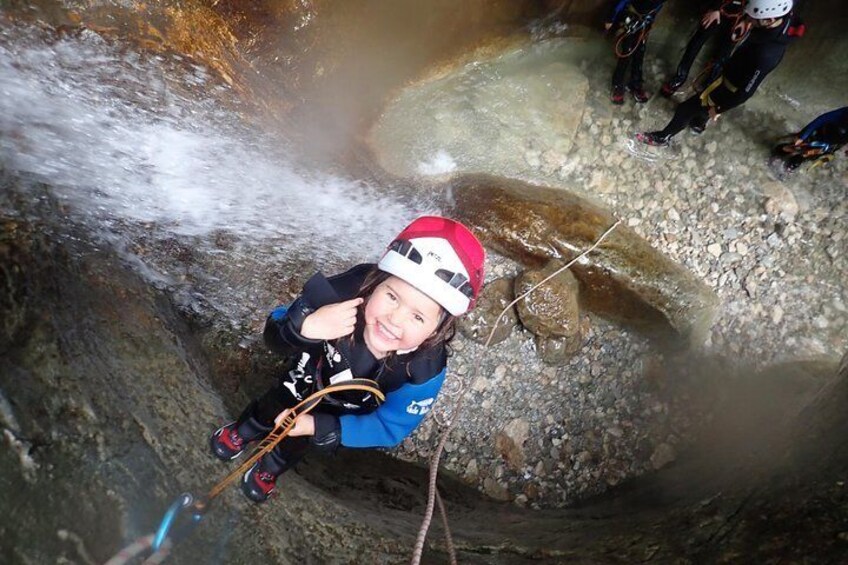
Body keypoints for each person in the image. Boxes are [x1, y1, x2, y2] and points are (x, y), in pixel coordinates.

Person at [209, 216, 486, 503]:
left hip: (342, 409)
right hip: (305, 374)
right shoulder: (345, 291)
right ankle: (247, 429)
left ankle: (271, 466)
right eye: (392, 297)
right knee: (273, 403)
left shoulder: (424, 369)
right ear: (376, 283)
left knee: (298, 439)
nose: (394, 320)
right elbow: (274, 334)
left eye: (418, 316)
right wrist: (306, 328)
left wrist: (324, 428)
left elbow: (392, 426)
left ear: (437, 330)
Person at [636, 0, 800, 146]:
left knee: (685, 109)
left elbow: (745, 92)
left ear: (769, 20)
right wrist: (745, 20)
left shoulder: (766, 54)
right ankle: (699, 121)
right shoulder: (783, 17)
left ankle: (663, 137)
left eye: (753, 20)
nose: (750, 21)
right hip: (731, 71)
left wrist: (719, 109)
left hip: (728, 89)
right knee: (700, 107)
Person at [660, 0, 749, 96]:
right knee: (697, 41)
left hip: (739, 15)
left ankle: (708, 86)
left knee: (724, 53)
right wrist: (716, 8)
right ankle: (680, 77)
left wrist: (747, 20)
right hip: (721, 6)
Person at [604, 0, 667, 105]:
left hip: (647, 17)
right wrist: (611, 17)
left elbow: (659, 4)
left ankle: (635, 83)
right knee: (627, 51)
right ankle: (617, 84)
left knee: (640, 50)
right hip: (632, 13)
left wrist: (651, 18)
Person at [771, 106, 848, 173]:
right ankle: (773, 154)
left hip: (830, 145)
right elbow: (821, 120)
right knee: (791, 147)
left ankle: (785, 171)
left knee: (802, 158)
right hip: (818, 134)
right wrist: (802, 136)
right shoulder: (844, 113)